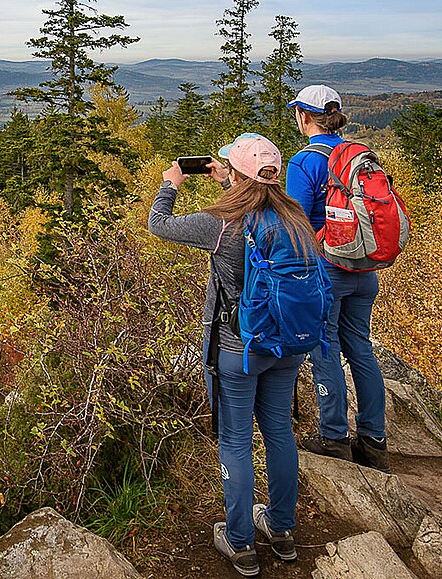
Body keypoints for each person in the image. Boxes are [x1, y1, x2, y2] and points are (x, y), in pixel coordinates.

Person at [149, 134, 317, 576]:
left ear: (238, 173)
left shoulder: (221, 222)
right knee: (279, 431)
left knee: (237, 440)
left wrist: (171, 184)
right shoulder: (296, 216)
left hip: (236, 350)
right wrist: (231, 180)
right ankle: (280, 529)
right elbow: (255, 217)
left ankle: (240, 541)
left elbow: (159, 225)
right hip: (287, 344)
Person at [286, 85, 390, 472]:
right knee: (361, 348)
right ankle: (373, 439)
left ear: (303, 116)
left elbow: (295, 222)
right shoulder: (358, 156)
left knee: (324, 347)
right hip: (365, 268)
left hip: (327, 268)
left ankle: (333, 436)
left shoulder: (304, 162)